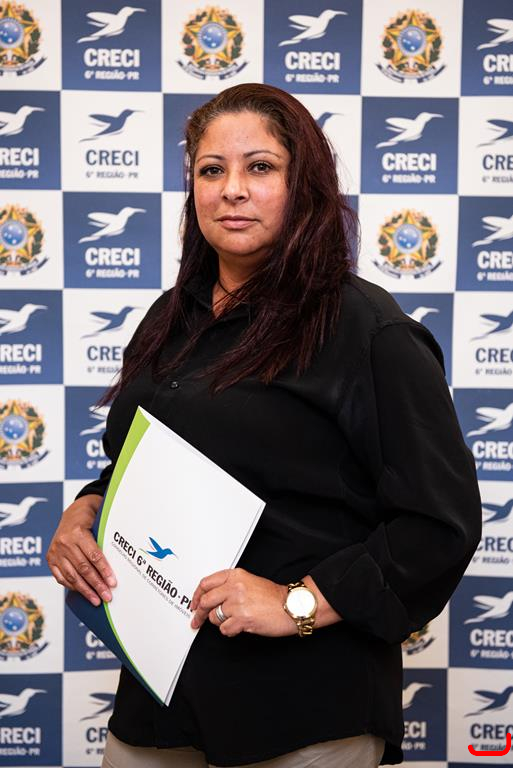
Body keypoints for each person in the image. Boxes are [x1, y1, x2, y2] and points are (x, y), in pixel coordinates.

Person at [47, 83, 481, 768]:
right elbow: (141, 463)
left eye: (260, 167)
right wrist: (87, 510)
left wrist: (298, 603)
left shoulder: (366, 330)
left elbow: (439, 522)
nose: (232, 189)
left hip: (302, 711)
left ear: (303, 184)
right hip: (158, 701)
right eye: (210, 170)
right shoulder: (168, 320)